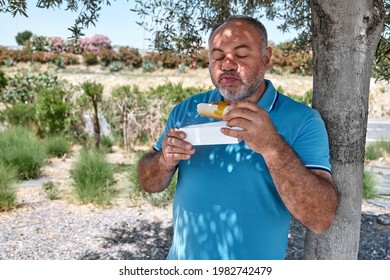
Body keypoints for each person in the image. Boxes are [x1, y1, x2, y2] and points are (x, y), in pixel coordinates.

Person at [138, 15, 339, 260]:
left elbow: (320, 218)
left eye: (241, 54)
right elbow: (149, 184)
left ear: (266, 58)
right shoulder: (187, 110)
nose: (227, 64)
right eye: (218, 55)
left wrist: (273, 147)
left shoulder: (303, 120)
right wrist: (163, 161)